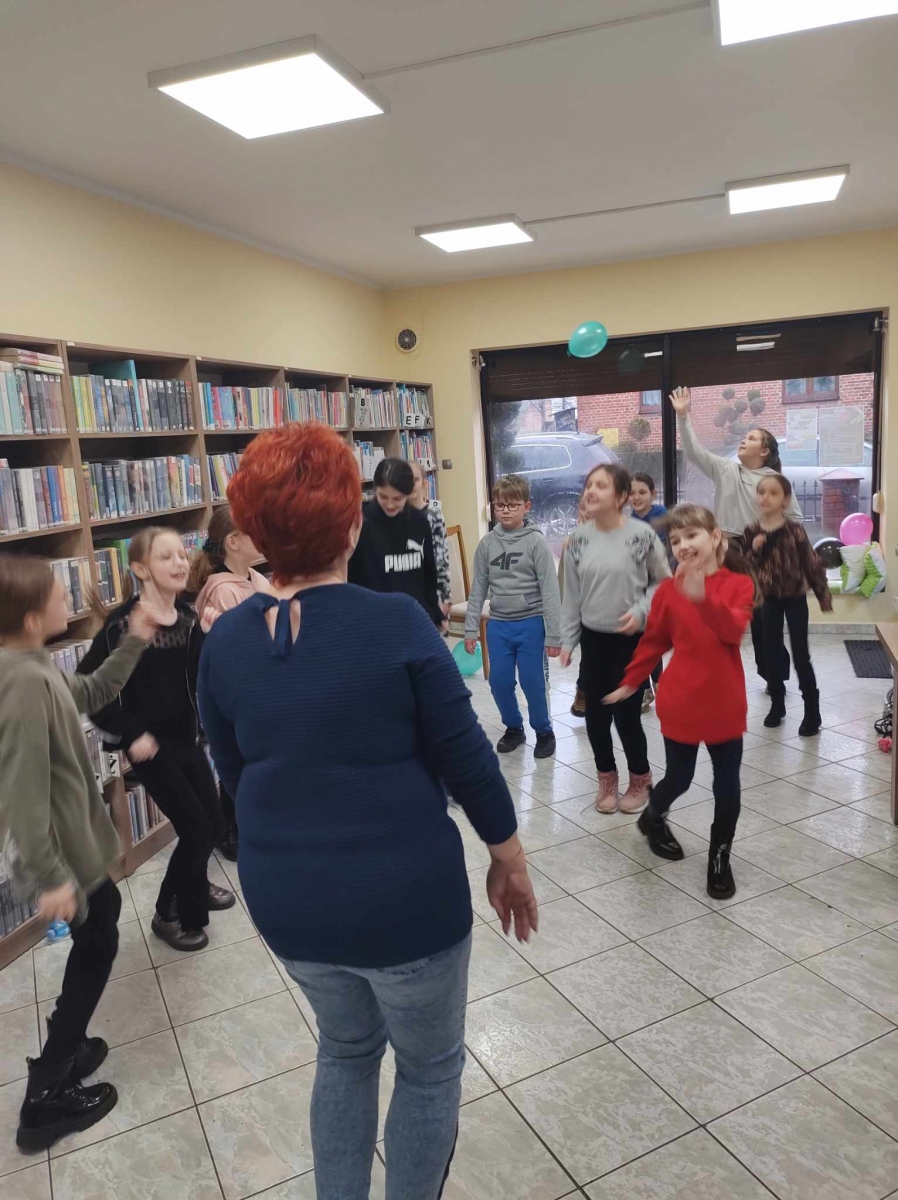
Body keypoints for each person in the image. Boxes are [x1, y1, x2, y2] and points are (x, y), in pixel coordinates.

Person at [196, 423, 538, 1200]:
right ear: (352, 525)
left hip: (288, 904)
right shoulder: (396, 623)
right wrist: (509, 860)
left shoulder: (224, 643)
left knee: (345, 1051)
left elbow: (233, 770)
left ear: (254, 534)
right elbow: (467, 759)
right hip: (406, 902)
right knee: (429, 1067)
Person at [0, 555, 161, 1150]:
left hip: (72, 846)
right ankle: (45, 1094)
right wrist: (49, 877)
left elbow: (92, 689)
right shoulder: (19, 682)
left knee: (103, 923)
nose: (66, 599)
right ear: (29, 616)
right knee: (99, 939)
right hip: (60, 853)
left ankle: (63, 1046)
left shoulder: (33, 664)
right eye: (56, 594)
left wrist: (134, 639)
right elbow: (22, 792)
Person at [79, 527, 234, 954]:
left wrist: (210, 636)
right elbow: (89, 688)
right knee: (196, 830)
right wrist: (130, 734)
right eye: (166, 557)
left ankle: (194, 887)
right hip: (151, 748)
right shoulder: (120, 626)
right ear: (140, 569)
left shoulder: (188, 616)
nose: (180, 562)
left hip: (187, 739)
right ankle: (168, 913)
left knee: (213, 824)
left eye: (181, 554)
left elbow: (196, 677)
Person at [604, 504, 755, 899]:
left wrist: (703, 597)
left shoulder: (738, 585)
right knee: (680, 777)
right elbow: (654, 642)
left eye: (692, 535)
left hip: (724, 703)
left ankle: (719, 856)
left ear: (715, 537)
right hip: (681, 700)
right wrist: (631, 681)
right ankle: (652, 818)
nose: (683, 545)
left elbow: (732, 632)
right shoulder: (668, 592)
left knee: (727, 784)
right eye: (675, 540)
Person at [669, 385, 802, 685]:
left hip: (763, 554)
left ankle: (775, 676)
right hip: (728, 551)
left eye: (752, 438)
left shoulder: (775, 481)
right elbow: (694, 451)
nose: (744, 440)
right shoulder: (725, 469)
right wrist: (683, 416)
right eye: (745, 437)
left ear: (765, 451)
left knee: (763, 624)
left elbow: (794, 519)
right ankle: (719, 677)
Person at [560, 463, 670, 814]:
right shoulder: (577, 540)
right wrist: (567, 640)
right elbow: (571, 595)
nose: (591, 491)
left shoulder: (642, 536)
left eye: (602, 485)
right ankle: (606, 778)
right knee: (595, 718)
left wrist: (640, 611)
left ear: (621, 496)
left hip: (631, 640)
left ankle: (641, 777)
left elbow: (663, 583)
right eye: (589, 484)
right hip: (593, 640)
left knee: (626, 716)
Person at [190, 504, 271, 861]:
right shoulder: (223, 590)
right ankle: (230, 828)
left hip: (261, 682)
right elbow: (232, 649)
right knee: (236, 757)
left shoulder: (257, 579)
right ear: (234, 541)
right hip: (238, 690)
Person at [464, 474, 562, 759]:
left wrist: (554, 635)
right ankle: (514, 728)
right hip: (498, 625)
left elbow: (550, 591)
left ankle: (544, 731)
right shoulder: (487, 544)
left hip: (531, 623)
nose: (505, 510)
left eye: (512, 505)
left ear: (526, 506)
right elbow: (478, 589)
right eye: (499, 505)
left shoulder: (536, 543)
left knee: (533, 682)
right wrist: (470, 630)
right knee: (499, 681)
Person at [744, 474, 833, 735]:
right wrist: (755, 550)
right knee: (770, 653)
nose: (766, 497)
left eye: (773, 493)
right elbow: (746, 568)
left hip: (795, 598)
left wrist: (823, 594)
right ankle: (777, 703)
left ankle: (812, 711)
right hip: (768, 600)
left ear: (785, 500)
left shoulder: (795, 530)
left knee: (801, 655)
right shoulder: (751, 530)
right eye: (762, 492)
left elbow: (811, 563)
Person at [349, 457, 442, 626]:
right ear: (375, 490)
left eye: (397, 499)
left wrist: (435, 613)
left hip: (415, 618)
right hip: (373, 620)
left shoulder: (420, 521)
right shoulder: (360, 523)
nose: (390, 505)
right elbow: (351, 577)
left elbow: (429, 575)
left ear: (408, 493)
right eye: (383, 497)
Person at [629, 472, 669, 710]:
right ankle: (646, 687)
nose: (636, 497)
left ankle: (659, 684)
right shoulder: (629, 521)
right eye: (632, 493)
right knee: (639, 640)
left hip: (658, 588)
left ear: (653, 494)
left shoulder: (663, 517)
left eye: (642, 492)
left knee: (651, 639)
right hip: (636, 588)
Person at [558, 491, 597, 718]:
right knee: (591, 655)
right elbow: (564, 584)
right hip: (585, 613)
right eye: (584, 512)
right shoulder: (571, 543)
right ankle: (583, 690)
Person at [408, 461, 451, 622]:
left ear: (424, 484)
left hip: (431, 591)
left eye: (415, 479)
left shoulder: (433, 514)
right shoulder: (396, 515)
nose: (411, 484)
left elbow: (441, 558)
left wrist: (445, 597)